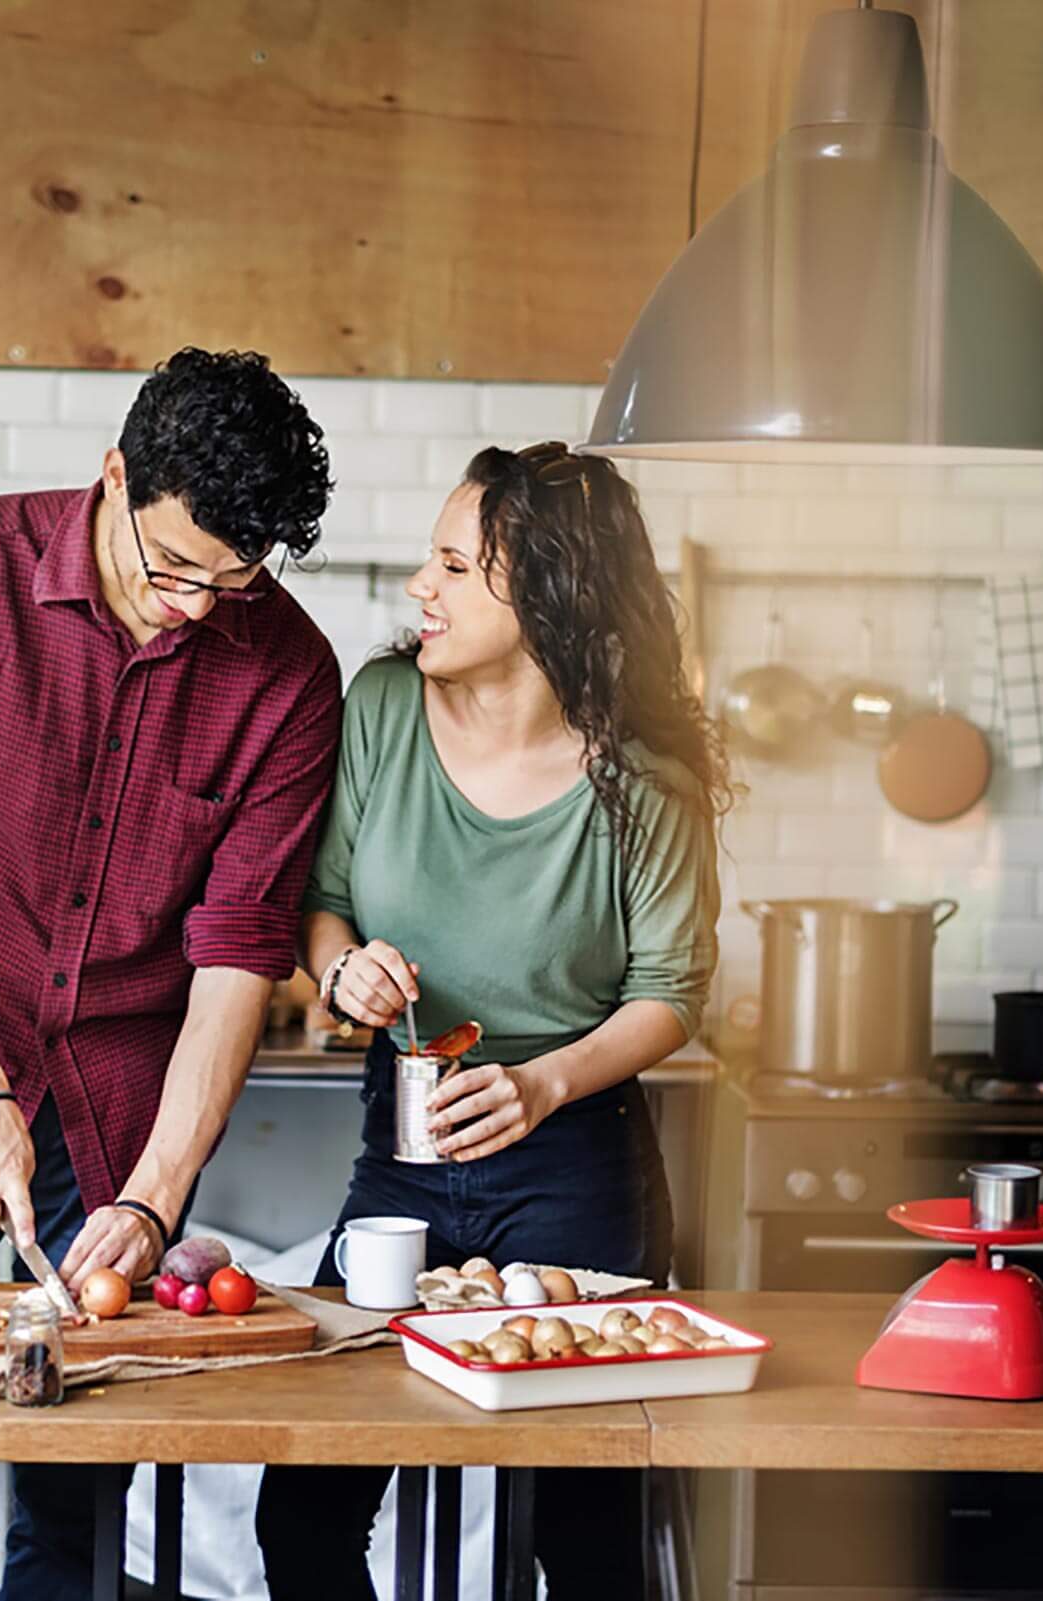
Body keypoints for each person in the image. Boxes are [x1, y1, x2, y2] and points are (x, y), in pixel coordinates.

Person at [0, 348, 342, 1598]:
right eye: (176, 567)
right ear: (112, 478)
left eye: (239, 577)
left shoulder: (291, 676)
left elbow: (237, 960)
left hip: (119, 1107)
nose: (202, 605)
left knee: (82, 1472)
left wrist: (153, 1200)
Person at [254, 441, 725, 1600]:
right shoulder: (381, 707)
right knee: (304, 1509)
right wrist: (343, 968)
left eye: (457, 564)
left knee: (591, 1534)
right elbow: (324, 906)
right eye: (434, 555)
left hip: (576, 1164)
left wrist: (545, 1083)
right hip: (402, 1155)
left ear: (551, 593)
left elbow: (672, 989)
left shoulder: (644, 773)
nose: (423, 583)